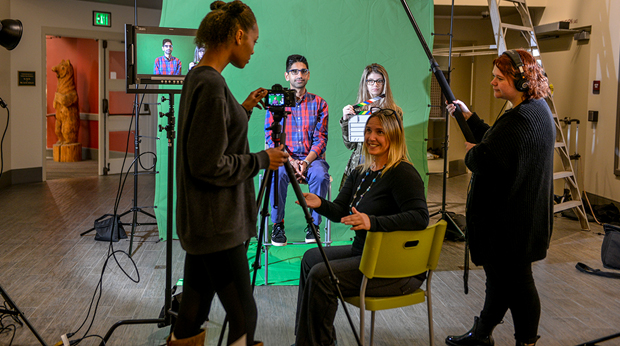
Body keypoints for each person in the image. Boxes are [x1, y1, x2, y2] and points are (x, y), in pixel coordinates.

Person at [173, 1, 288, 346]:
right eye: (254, 40)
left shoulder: (199, 77)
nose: (254, 49)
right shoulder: (211, 84)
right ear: (238, 35)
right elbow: (209, 164)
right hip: (218, 224)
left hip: (202, 222)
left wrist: (244, 109)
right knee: (244, 316)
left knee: (193, 310)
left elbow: (211, 136)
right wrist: (262, 160)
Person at [444, 49, 555, 346]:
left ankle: (526, 342)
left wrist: (470, 153)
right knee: (501, 283)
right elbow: (497, 138)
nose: (492, 82)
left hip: (511, 227)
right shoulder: (535, 109)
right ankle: (481, 335)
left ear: (519, 81)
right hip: (520, 222)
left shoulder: (520, 119)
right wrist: (467, 116)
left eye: (498, 78)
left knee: (518, 286)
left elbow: (485, 158)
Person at [294, 109, 429, 346]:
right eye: (368, 131)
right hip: (365, 253)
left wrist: (372, 222)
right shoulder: (360, 172)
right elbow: (340, 212)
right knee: (311, 259)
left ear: (394, 137)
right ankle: (306, 341)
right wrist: (319, 203)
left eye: (380, 132)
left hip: (394, 267)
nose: (371, 137)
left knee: (322, 275)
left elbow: (420, 217)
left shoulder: (403, 172)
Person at [264, 54, 330, 246]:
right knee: (277, 172)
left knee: (320, 175)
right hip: (285, 157)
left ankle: (314, 225)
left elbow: (321, 139)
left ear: (308, 75)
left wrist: (306, 162)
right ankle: (278, 225)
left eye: (303, 71)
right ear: (287, 76)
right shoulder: (276, 101)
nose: (299, 75)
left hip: (312, 159)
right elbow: (271, 137)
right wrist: (291, 161)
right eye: (294, 71)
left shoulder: (319, 103)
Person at [340, 63, 402, 190]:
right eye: (371, 81)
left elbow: (397, 142)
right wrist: (346, 120)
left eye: (379, 81)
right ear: (365, 83)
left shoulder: (394, 112)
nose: (375, 84)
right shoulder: (355, 110)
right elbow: (350, 145)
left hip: (385, 163)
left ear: (385, 83)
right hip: (359, 163)